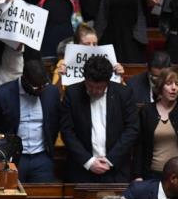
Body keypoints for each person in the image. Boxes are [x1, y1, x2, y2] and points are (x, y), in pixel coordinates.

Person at [60, 56, 140, 184]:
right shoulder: (72, 93)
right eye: (90, 86)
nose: (94, 91)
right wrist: (89, 162)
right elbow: (67, 131)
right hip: (81, 171)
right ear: (85, 79)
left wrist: (110, 160)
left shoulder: (124, 93)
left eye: (100, 87)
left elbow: (132, 129)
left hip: (116, 170)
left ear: (107, 81)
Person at [0, 58, 60, 183]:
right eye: (35, 88)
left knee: (44, 196)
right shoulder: (1, 94)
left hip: (42, 157)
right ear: (24, 79)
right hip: (12, 158)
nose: (40, 91)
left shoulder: (51, 92)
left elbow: (54, 124)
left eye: (43, 86)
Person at [137, 68, 178, 181]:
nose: (174, 88)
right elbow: (140, 145)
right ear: (160, 87)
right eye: (169, 84)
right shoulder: (147, 111)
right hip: (153, 174)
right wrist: (138, 175)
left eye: (177, 84)